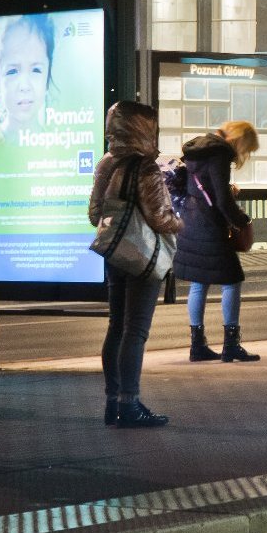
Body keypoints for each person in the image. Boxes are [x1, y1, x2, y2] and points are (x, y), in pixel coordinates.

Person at [87, 101, 183, 429]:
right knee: (136, 330)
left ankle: (112, 402)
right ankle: (130, 404)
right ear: (144, 129)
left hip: (115, 253)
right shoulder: (145, 167)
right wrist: (179, 222)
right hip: (142, 258)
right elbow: (159, 217)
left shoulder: (105, 163)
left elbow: (94, 214)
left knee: (116, 326)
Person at [170, 120, 260, 363]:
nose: (243, 155)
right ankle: (231, 344)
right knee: (232, 280)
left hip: (191, 222)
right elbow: (221, 200)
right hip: (210, 225)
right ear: (240, 140)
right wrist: (242, 220)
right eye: (246, 149)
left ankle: (197, 345)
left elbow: (202, 188)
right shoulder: (219, 153)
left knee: (199, 282)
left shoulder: (197, 149)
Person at [0, 15, 54, 146]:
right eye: (12, 71)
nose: (25, 86)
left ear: (48, 78)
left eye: (36, 70)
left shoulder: (57, 143)